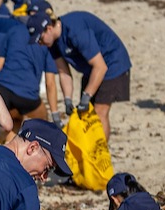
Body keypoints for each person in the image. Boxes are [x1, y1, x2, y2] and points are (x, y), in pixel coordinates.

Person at [29, 8, 133, 138]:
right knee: (85, 115)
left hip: (113, 64)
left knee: (99, 112)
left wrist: (86, 96)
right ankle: (90, 149)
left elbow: (100, 67)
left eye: (40, 38)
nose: (40, 43)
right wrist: (68, 99)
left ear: (49, 28)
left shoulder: (75, 31)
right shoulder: (53, 43)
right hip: (92, 69)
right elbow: (64, 72)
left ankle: (100, 152)